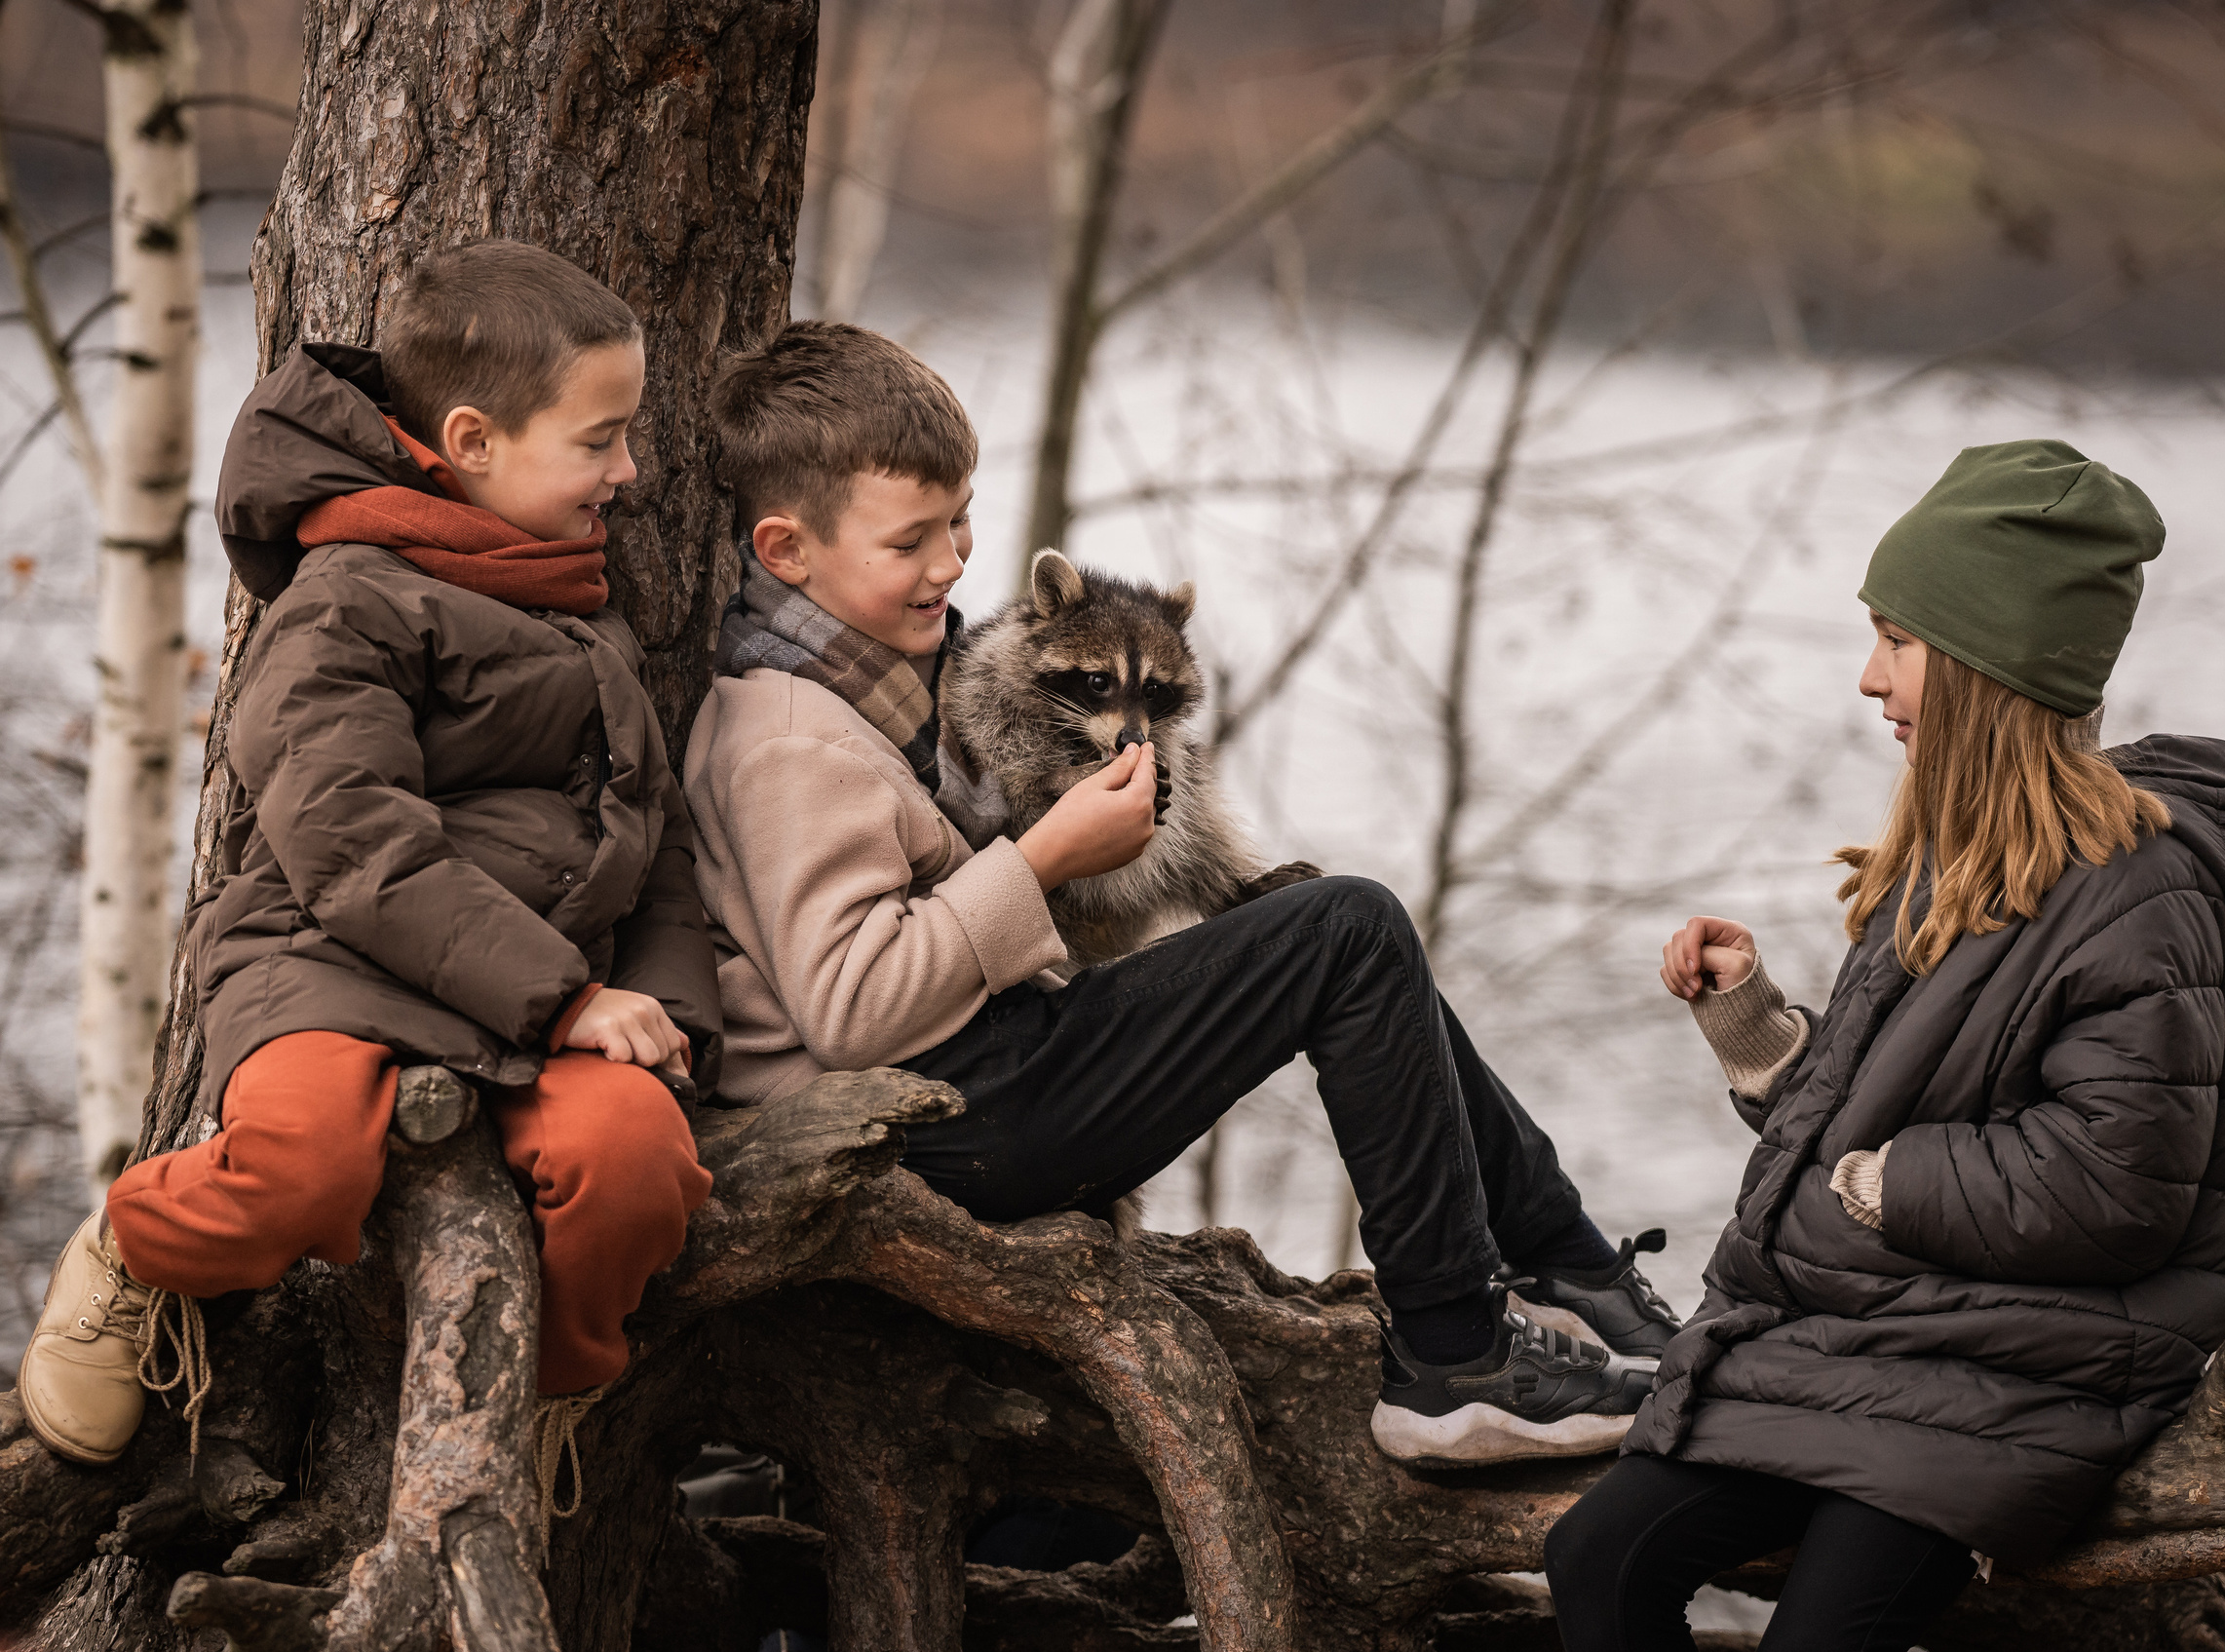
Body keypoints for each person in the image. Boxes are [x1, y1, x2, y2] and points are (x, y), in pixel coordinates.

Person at [685, 319, 1669, 1467]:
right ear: (786, 548)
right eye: (914, 540)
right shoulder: (790, 736)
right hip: (936, 1120)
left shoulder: (880, 679)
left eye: (960, 524)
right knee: (1346, 931)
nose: (954, 562)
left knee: (1337, 937)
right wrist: (1047, 858)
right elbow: (855, 1012)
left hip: (977, 1081)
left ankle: (1570, 1269)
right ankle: (1455, 1353)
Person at [1545, 441, 2225, 1652]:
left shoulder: (2147, 900)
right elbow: (1884, 1109)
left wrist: (1883, 1182)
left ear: (1987, 669)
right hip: (1867, 1346)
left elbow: (2120, 1184)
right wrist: (1756, 1031)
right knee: (1595, 1559)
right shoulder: (1950, 860)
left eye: (1897, 643)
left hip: (2017, 1375)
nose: (1868, 679)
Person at [17, 241, 720, 1474]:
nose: (632, 471)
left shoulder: (578, 605)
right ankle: (133, 1248)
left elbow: (649, 843)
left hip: (544, 998)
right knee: (299, 1171)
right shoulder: (344, 601)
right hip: (329, 967)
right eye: (600, 440)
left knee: (636, 1165)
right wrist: (567, 999)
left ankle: (544, 1399)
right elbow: (353, 848)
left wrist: (660, 1011)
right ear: (473, 440)